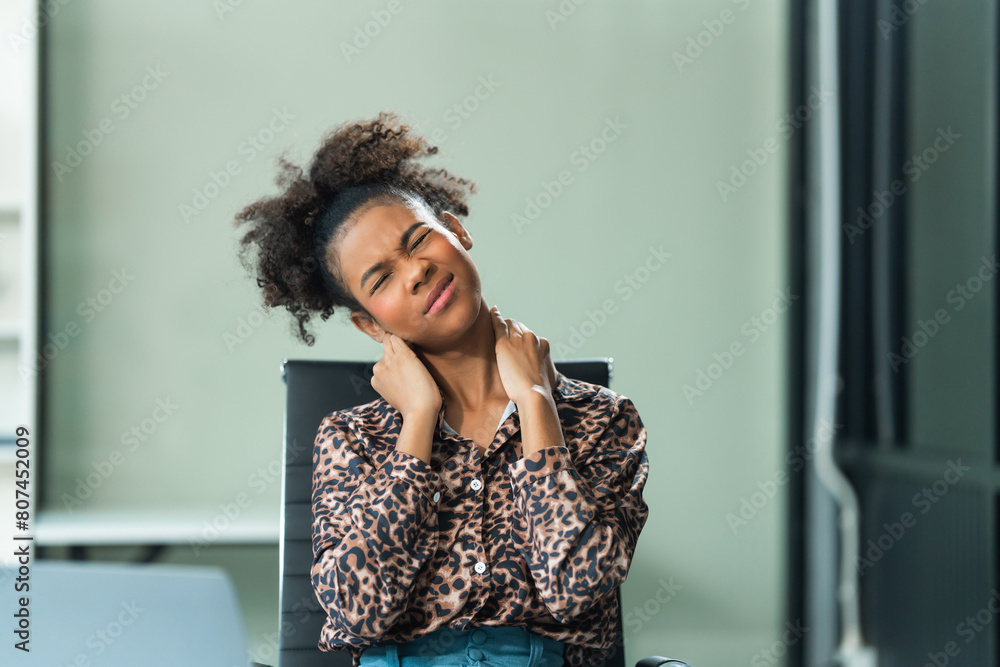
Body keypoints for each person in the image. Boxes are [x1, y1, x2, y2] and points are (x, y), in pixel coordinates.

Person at [232, 112, 650, 667]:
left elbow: (575, 590)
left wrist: (537, 406)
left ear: (458, 230)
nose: (415, 273)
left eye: (420, 241)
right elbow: (359, 614)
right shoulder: (352, 439)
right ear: (370, 325)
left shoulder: (602, 419)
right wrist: (417, 426)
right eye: (381, 279)